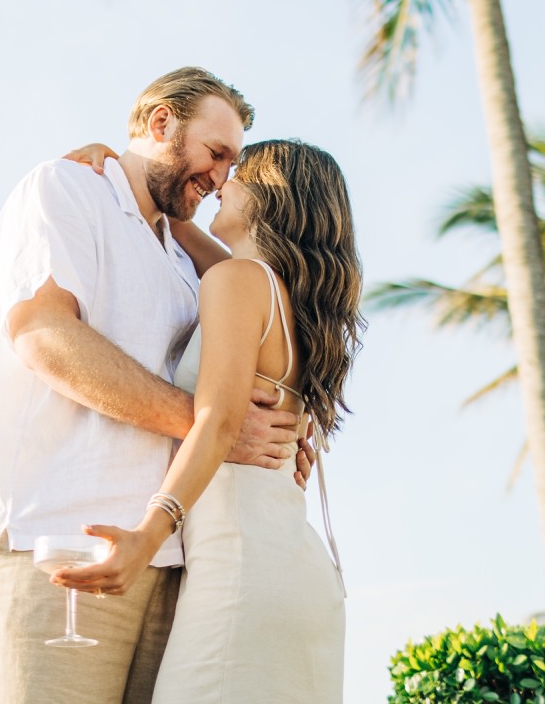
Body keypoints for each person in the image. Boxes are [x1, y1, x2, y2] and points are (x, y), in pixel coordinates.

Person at [0, 67, 311, 704]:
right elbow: (41, 335)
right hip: (55, 543)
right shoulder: (64, 189)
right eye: (215, 153)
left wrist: (288, 433)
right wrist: (212, 429)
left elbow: (261, 345)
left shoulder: (185, 256)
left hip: (170, 564)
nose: (222, 177)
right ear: (161, 123)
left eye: (233, 165)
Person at [54, 138, 363, 702]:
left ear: (271, 197)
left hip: (242, 578)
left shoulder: (239, 282)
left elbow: (217, 424)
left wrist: (148, 534)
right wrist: (130, 176)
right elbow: (195, 241)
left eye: (238, 173)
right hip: (294, 575)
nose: (222, 182)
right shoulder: (281, 298)